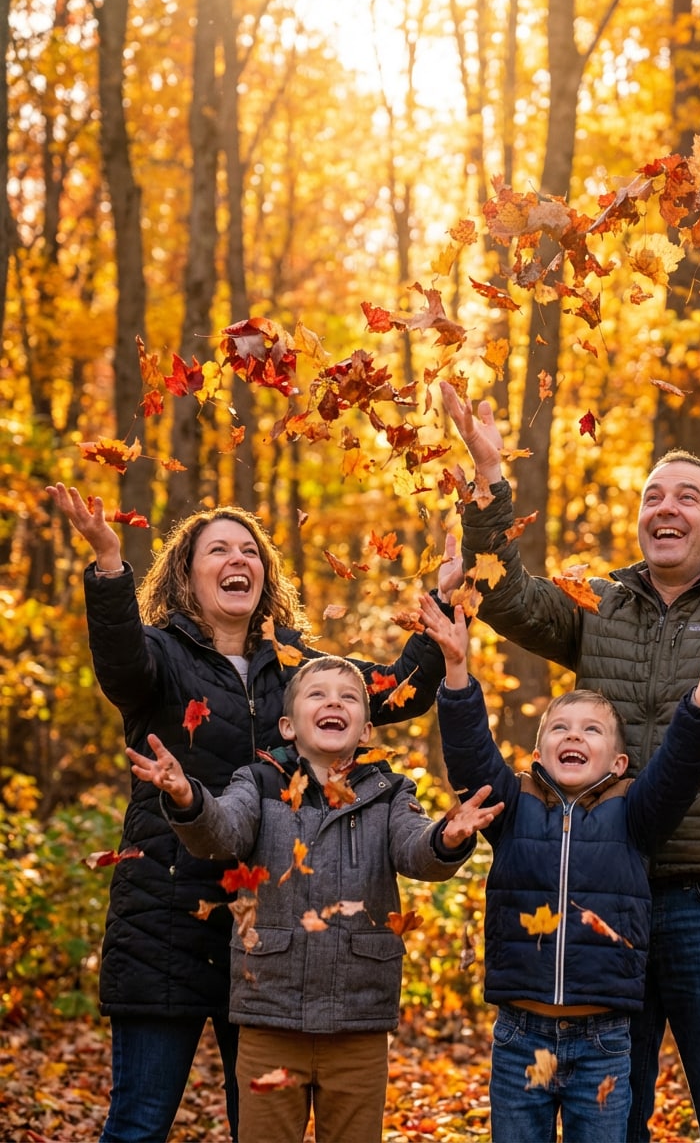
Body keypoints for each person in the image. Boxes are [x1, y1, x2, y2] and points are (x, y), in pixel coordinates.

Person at [438, 369, 700, 1143]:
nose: (666, 507)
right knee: (615, 1119)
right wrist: (490, 478)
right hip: (607, 896)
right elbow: (505, 595)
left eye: (688, 496)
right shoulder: (597, 605)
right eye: (653, 496)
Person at [45, 484, 464, 1143]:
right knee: (139, 1122)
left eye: (249, 550)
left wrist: (441, 600)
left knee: (260, 1127)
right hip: (167, 917)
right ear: (186, 574)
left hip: (270, 935)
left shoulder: (297, 668)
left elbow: (396, 691)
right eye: (218, 550)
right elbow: (120, 664)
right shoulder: (160, 654)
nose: (237, 558)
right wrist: (107, 565)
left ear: (264, 574)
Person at [418, 593, 700, 1143]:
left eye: (591, 730)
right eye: (559, 728)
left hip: (602, 1041)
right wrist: (457, 668)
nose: (574, 736)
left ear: (619, 762)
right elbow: (470, 754)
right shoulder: (514, 808)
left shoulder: (633, 815)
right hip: (520, 1036)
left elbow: (678, 770)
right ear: (538, 754)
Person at [128, 654, 503, 1143]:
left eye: (348, 698)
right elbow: (222, 833)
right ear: (288, 726)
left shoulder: (389, 791)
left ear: (366, 730)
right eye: (318, 695)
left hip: (358, 1022)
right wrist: (187, 798)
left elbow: (415, 849)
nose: (334, 703)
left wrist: (446, 838)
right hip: (270, 1016)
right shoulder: (258, 783)